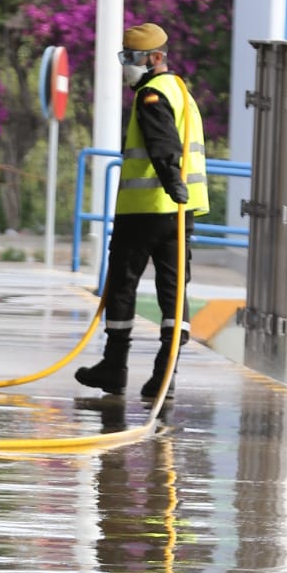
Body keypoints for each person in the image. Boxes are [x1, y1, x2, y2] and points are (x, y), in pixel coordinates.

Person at [75, 23, 209, 408]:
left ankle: (114, 367)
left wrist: (170, 180)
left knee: (121, 286)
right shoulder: (183, 92)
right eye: (124, 58)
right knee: (174, 290)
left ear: (154, 59)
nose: (126, 67)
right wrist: (178, 191)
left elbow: (161, 142)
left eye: (131, 59)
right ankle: (165, 374)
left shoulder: (152, 95)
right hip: (180, 215)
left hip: (146, 210)